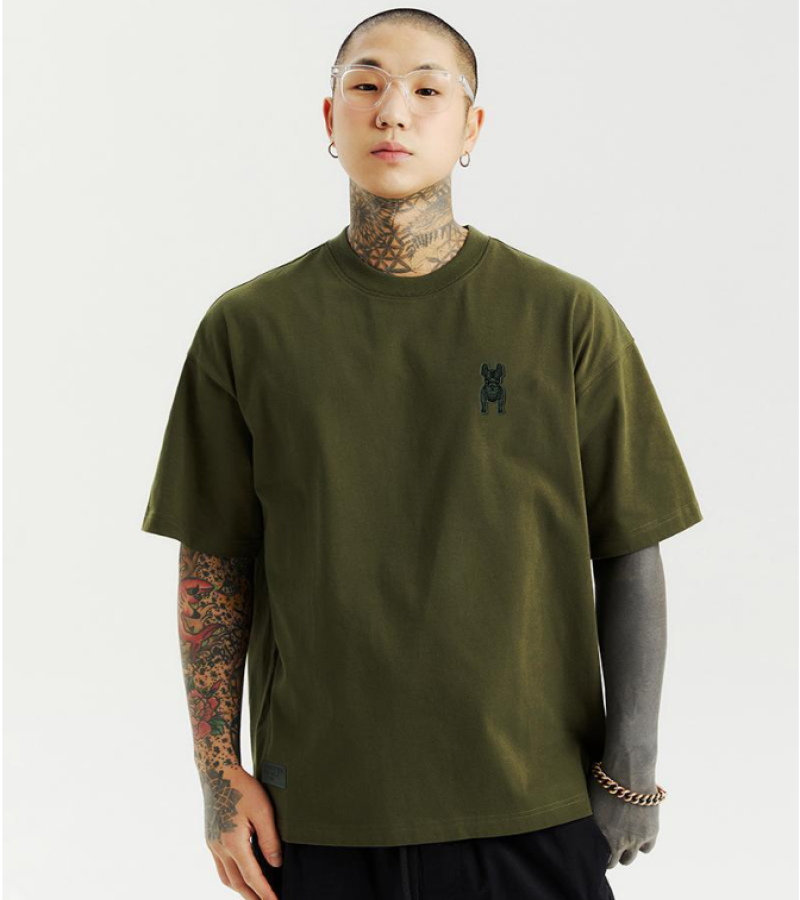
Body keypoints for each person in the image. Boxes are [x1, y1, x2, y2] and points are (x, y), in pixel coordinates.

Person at [141, 8, 703, 900]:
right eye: (364, 84)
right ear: (329, 119)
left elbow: (631, 546)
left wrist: (630, 771)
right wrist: (217, 774)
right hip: (317, 811)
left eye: (427, 89)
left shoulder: (564, 317)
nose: (392, 110)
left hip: (532, 804)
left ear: (471, 127)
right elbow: (214, 561)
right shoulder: (248, 329)